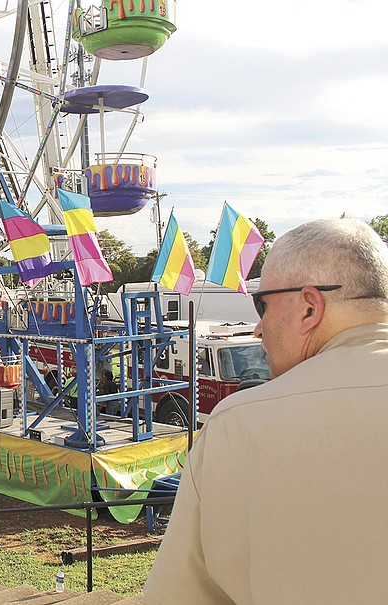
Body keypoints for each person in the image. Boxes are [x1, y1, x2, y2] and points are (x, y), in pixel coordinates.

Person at [145, 218, 388, 604]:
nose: (258, 329)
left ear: (310, 308)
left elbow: (177, 595)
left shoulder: (237, 427)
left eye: (263, 304)